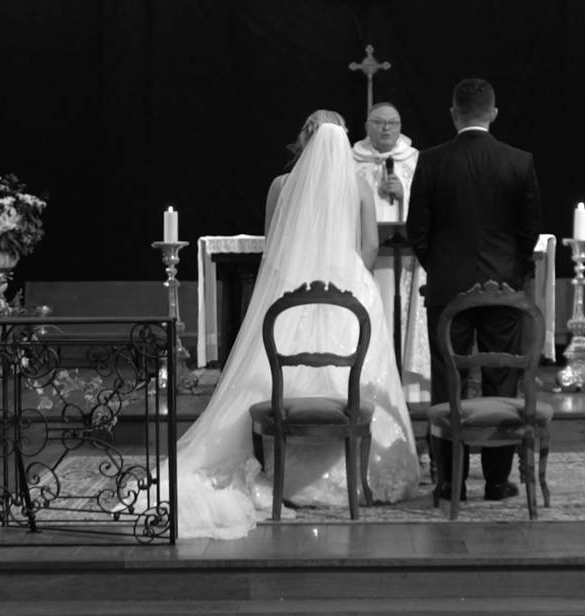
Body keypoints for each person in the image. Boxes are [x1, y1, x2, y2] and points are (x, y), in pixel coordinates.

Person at [173, 110, 420, 539]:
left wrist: (298, 280)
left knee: (275, 372)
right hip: (351, 295)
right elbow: (368, 246)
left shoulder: (280, 186)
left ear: (304, 138)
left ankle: (282, 470)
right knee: (356, 374)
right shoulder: (358, 185)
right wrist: (345, 278)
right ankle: (357, 476)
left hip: (288, 290)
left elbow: (274, 248)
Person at [407, 78, 541, 502]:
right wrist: (510, 275)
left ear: (453, 112)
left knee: (450, 383)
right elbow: (529, 232)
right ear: (493, 112)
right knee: (503, 380)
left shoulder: (430, 162)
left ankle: (450, 482)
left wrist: (444, 272)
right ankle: (498, 481)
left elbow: (418, 232)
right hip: (503, 288)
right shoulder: (518, 161)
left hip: (449, 291)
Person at [352, 103, 430, 403]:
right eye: (380, 122)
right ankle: (368, 387)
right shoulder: (349, 159)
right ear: (367, 125)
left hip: (406, 260)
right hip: (365, 258)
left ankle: (408, 392)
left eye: (392, 123)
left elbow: (431, 206)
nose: (386, 128)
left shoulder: (415, 160)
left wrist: (405, 194)